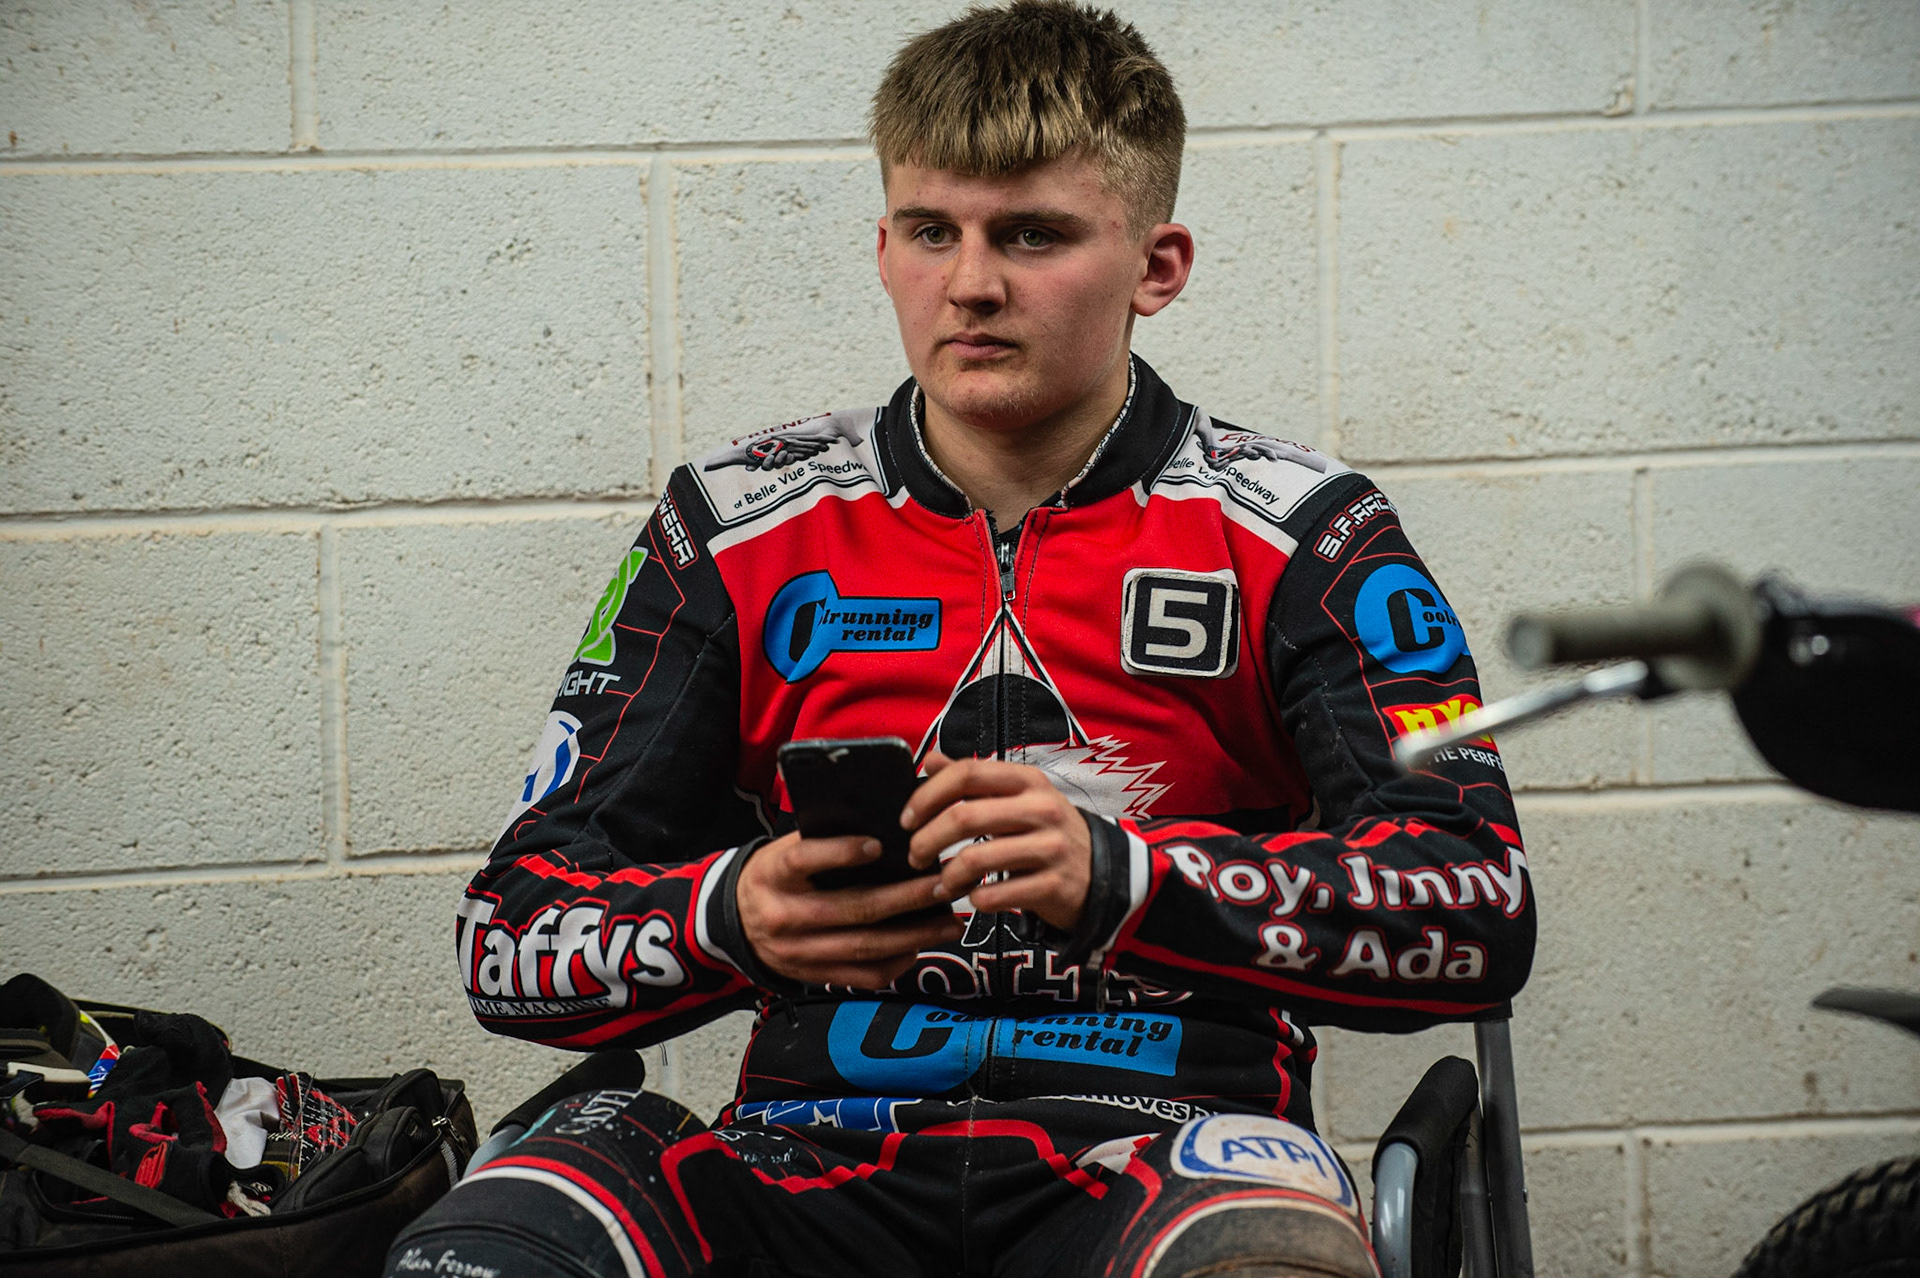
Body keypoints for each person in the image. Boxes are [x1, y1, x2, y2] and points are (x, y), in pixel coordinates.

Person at [389, 4, 1533, 1275]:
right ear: (882, 247)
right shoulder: (731, 524)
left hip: (1170, 1156)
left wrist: (1130, 880)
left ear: (1159, 264)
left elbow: (1481, 903)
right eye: (934, 231)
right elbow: (509, 934)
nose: (973, 283)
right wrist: (731, 915)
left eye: (1034, 235)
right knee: (487, 1248)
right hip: (804, 1155)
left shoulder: (1309, 530)